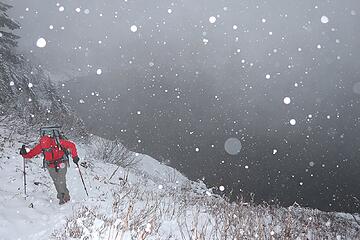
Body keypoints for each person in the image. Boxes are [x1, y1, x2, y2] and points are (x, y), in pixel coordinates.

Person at [20, 135, 80, 205]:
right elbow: (33, 153)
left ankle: (65, 197)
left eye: (48, 148)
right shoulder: (42, 145)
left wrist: (75, 156)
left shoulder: (58, 142)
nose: (47, 150)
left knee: (61, 180)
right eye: (46, 149)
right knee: (56, 181)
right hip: (50, 165)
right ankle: (61, 197)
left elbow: (71, 145)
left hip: (61, 163)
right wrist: (24, 154)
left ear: (50, 143)